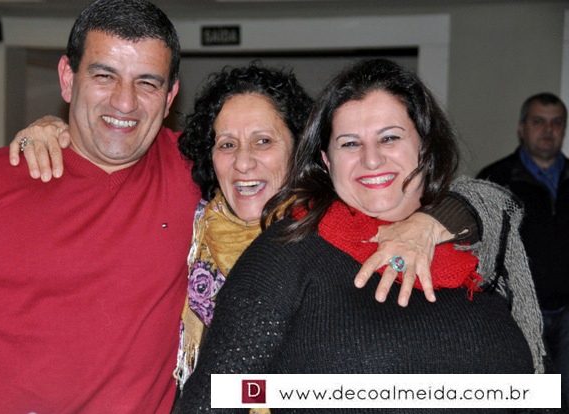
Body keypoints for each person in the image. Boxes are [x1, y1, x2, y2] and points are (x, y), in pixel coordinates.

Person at [178, 59, 546, 413]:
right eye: (350, 143)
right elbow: (216, 398)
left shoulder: (482, 241)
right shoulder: (286, 252)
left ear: (425, 146)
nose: (371, 159)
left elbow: (535, 392)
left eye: (389, 138)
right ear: (326, 161)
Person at [0, 1, 200, 412]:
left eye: (147, 83)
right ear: (68, 79)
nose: (124, 102)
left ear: (169, 97)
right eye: (104, 76)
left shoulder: (202, 172)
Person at [477, 92, 568, 404]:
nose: (548, 130)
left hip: (568, 314)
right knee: (531, 399)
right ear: (522, 128)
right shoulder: (495, 180)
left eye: (556, 123)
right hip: (518, 313)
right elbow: (481, 250)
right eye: (539, 121)